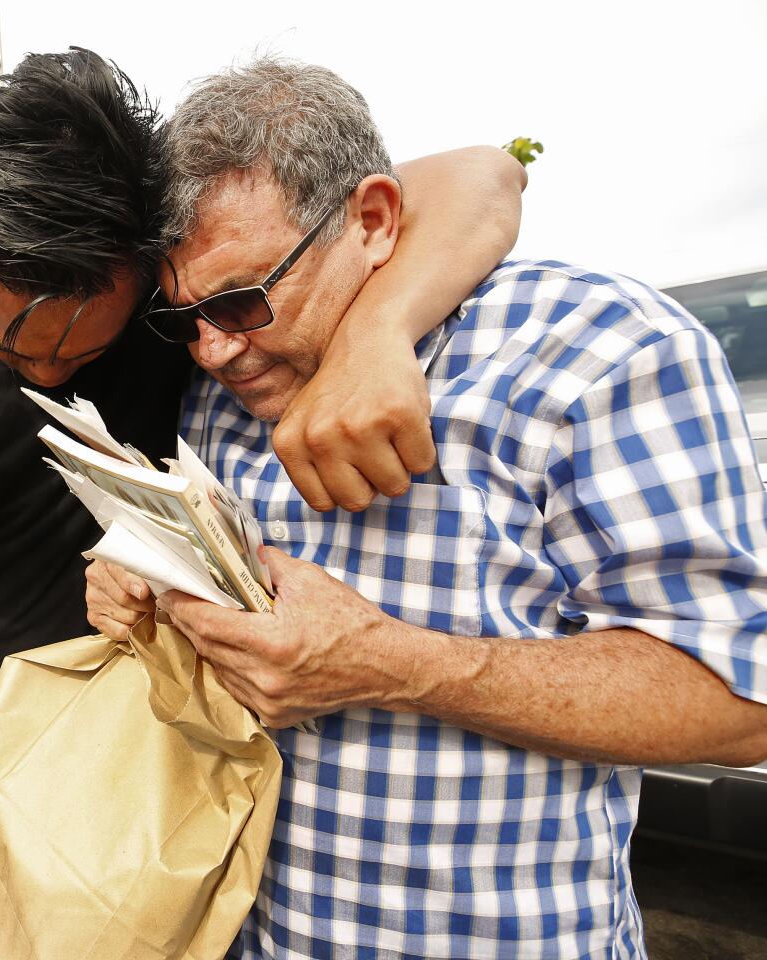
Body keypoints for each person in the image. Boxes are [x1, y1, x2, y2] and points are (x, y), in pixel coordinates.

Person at [0, 49, 525, 958]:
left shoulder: (186, 307)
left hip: (137, 735)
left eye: (82, 347)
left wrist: (378, 333)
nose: (53, 369)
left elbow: (482, 176)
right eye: (19, 348)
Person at [88, 58, 767, 959]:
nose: (212, 349)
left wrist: (395, 665)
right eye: (183, 319)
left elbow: (739, 696)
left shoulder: (593, 350)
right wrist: (149, 585)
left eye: (243, 299)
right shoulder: (225, 385)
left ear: (371, 220)